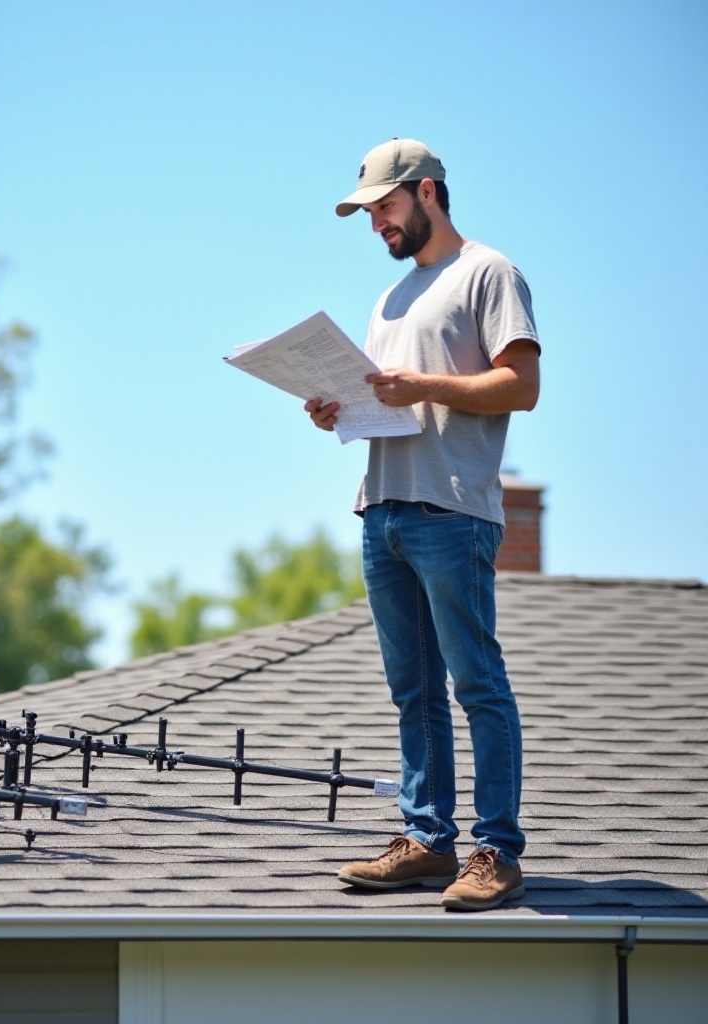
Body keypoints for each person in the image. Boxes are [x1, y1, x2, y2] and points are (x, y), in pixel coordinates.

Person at [305, 138, 540, 912]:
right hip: (382, 508)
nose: (376, 223)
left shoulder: (489, 273)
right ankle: (428, 840)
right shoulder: (388, 300)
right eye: (369, 213)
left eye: (385, 206)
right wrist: (339, 410)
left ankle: (497, 851)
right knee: (413, 691)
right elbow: (392, 403)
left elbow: (521, 385)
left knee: (478, 685)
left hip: (452, 510)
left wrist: (424, 386)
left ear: (428, 192)